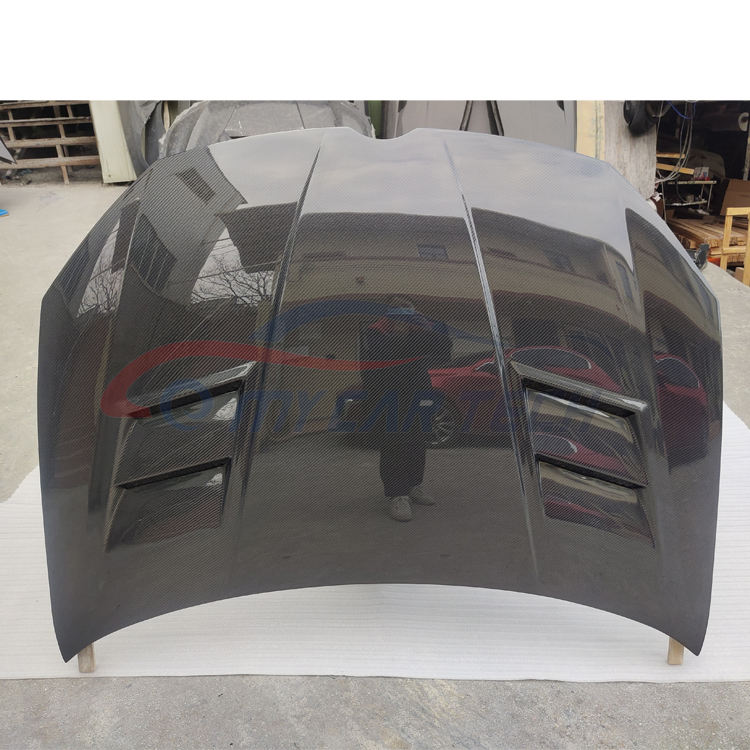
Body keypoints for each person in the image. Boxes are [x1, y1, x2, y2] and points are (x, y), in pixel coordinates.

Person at [361, 297, 451, 521]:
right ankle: (397, 494)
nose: (404, 316)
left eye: (408, 310)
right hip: (390, 395)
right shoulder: (375, 332)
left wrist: (424, 328)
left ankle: (414, 486)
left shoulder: (418, 331)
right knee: (394, 444)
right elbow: (382, 357)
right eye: (399, 310)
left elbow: (444, 348)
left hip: (418, 392)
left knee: (418, 441)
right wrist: (400, 333)